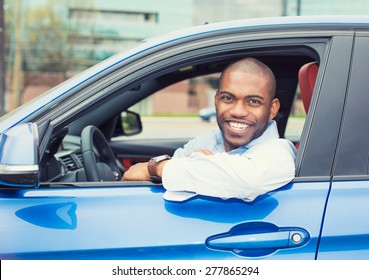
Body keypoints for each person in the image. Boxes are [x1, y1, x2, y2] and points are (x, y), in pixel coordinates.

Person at [123, 57, 296, 202]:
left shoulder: (279, 153)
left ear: (272, 109)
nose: (237, 111)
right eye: (228, 98)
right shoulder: (208, 140)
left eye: (253, 102)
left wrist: (155, 168)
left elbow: (248, 181)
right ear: (216, 100)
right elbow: (158, 177)